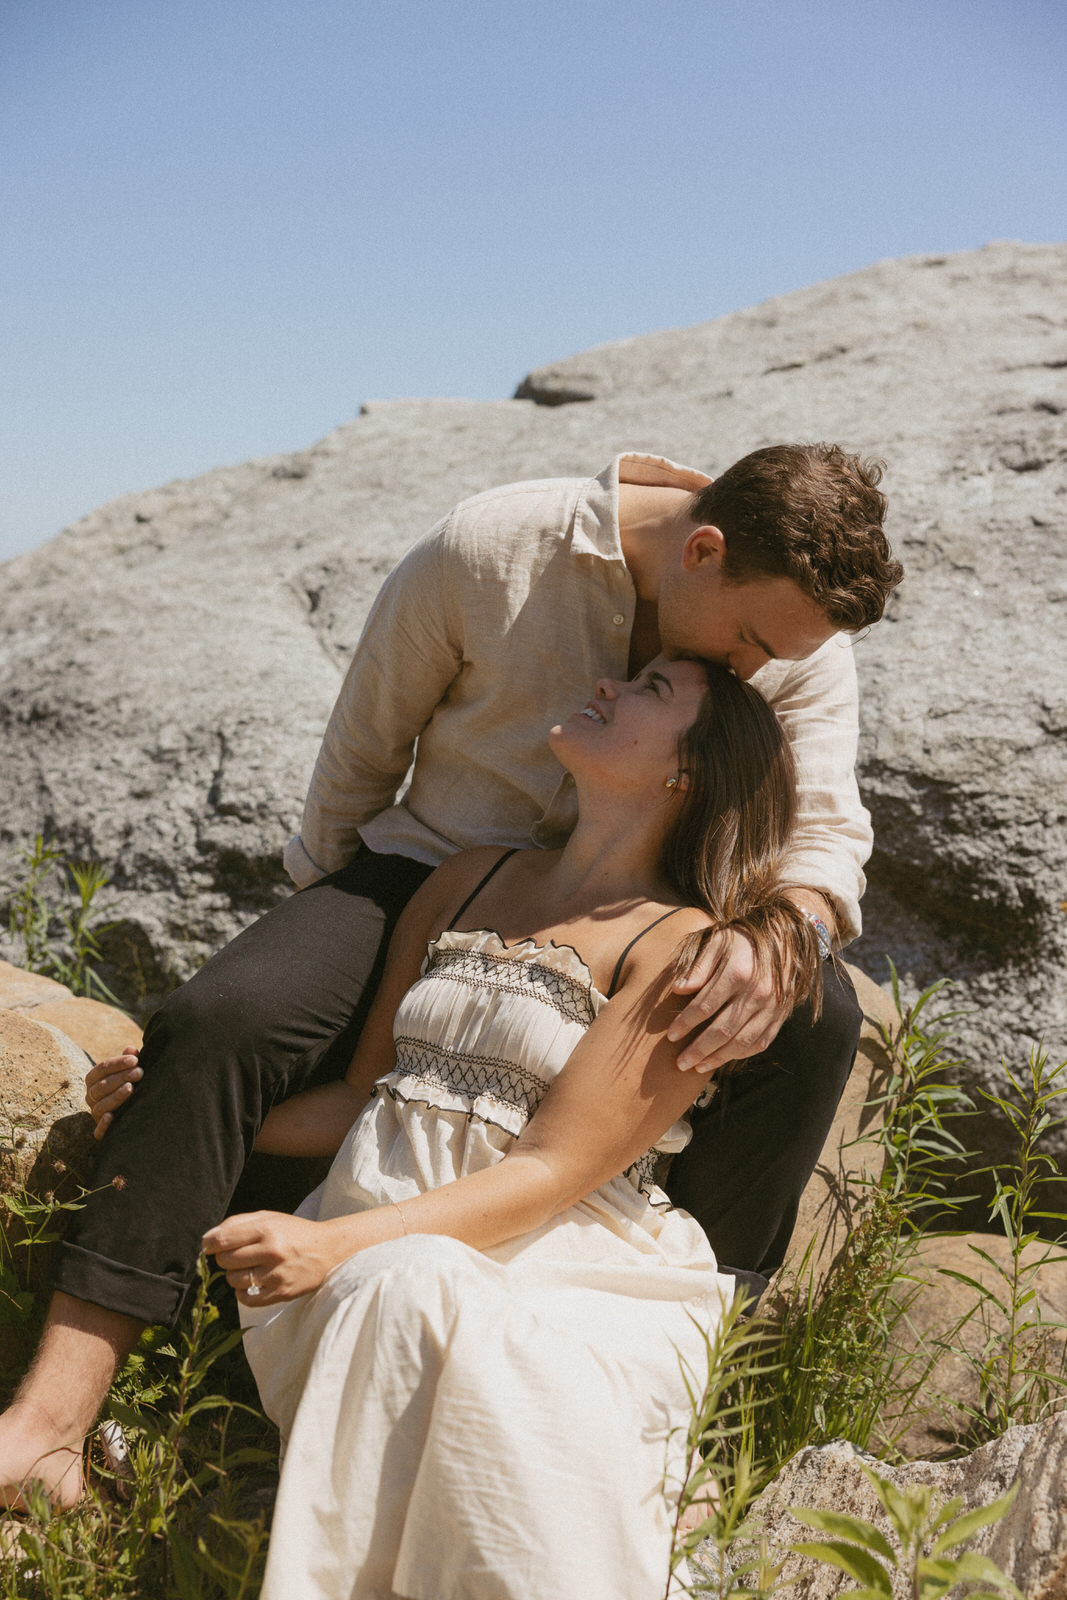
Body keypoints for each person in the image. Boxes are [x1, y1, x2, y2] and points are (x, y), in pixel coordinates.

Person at [0, 443, 901, 1509]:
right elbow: (359, 757)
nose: (760, 671)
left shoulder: (791, 635)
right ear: (700, 552)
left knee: (816, 1013)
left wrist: (777, 929)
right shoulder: (493, 548)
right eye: (750, 644)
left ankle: (688, 1380)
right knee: (226, 1014)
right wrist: (306, 960)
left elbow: (827, 830)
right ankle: (52, 1419)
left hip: (646, 903)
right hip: (432, 872)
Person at [204, 657, 823, 1600]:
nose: (611, 687)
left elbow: (550, 1169)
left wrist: (330, 1242)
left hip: (570, 1264)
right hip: (383, 1243)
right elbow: (372, 1094)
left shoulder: (685, 949)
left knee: (408, 1289)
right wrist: (192, 1110)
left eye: (651, 691)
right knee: (402, 1285)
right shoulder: (468, 877)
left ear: (685, 774)